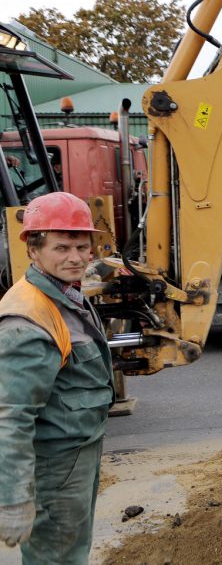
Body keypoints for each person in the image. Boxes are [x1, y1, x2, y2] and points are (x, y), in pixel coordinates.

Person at [0, 192, 113, 563]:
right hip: (56, 465)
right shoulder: (28, 319)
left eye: (82, 246)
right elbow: (10, 415)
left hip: (77, 452)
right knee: (58, 557)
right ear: (33, 249)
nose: (76, 257)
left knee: (71, 551)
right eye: (62, 247)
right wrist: (14, 497)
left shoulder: (65, 294)